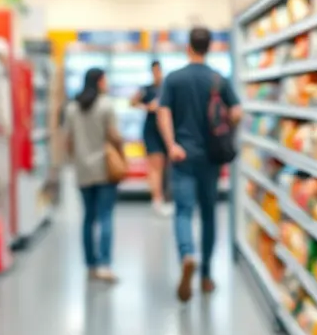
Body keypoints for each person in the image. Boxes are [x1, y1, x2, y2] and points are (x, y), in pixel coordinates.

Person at [157, 27, 241, 302]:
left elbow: (163, 112)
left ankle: (187, 254)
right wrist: (225, 127)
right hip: (211, 159)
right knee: (208, 214)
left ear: (188, 47)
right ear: (210, 47)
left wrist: (171, 145)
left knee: (183, 211)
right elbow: (238, 112)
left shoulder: (174, 79)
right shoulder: (218, 79)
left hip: (183, 156)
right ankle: (205, 275)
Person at [65, 67, 125, 283]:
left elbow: (68, 141)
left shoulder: (72, 108)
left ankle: (90, 265)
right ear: (100, 82)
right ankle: (105, 264)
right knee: (106, 215)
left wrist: (75, 160)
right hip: (104, 169)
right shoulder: (106, 106)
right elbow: (115, 136)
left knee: (88, 218)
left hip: (82, 170)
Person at [131, 60, 172, 216]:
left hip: (165, 130)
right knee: (155, 165)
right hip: (152, 130)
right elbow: (132, 102)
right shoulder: (146, 89)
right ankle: (157, 199)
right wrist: (147, 107)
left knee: (167, 167)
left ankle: (166, 197)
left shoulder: (167, 88)